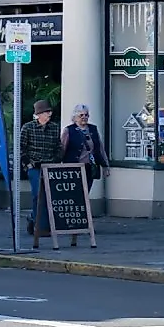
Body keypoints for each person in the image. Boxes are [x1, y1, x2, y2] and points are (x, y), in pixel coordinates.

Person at [61, 104, 107, 245]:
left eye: (86, 115)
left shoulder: (92, 129)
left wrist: (105, 165)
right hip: (73, 167)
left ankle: (82, 222)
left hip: (89, 167)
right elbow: (62, 148)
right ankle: (72, 223)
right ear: (75, 116)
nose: (84, 118)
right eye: (81, 115)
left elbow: (99, 147)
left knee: (85, 194)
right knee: (75, 195)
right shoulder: (69, 130)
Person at [19, 97, 62, 247]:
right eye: (45, 112)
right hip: (35, 166)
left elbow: (58, 146)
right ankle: (40, 226)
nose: (49, 114)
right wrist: (28, 165)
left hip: (49, 166)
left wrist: (56, 160)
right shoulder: (28, 128)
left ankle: (36, 219)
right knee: (38, 194)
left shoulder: (55, 128)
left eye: (49, 111)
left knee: (50, 195)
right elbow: (21, 149)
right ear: (38, 114)